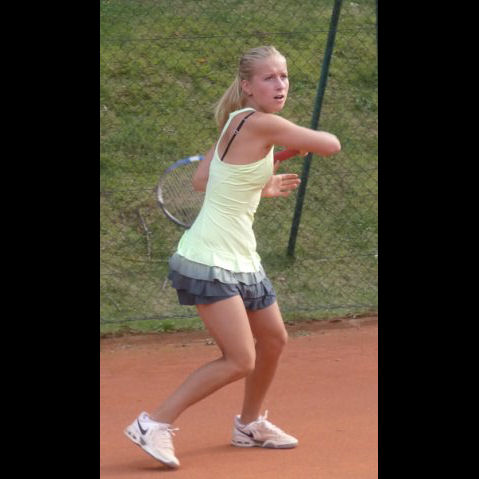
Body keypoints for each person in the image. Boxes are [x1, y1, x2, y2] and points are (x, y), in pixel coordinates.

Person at [124, 45, 341, 469]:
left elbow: (204, 178)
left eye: (284, 76)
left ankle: (249, 424)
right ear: (247, 86)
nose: (280, 84)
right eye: (269, 77)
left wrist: (261, 182)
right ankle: (153, 423)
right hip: (209, 259)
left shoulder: (236, 121)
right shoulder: (263, 123)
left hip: (242, 257)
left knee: (273, 340)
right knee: (241, 359)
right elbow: (330, 145)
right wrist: (288, 141)